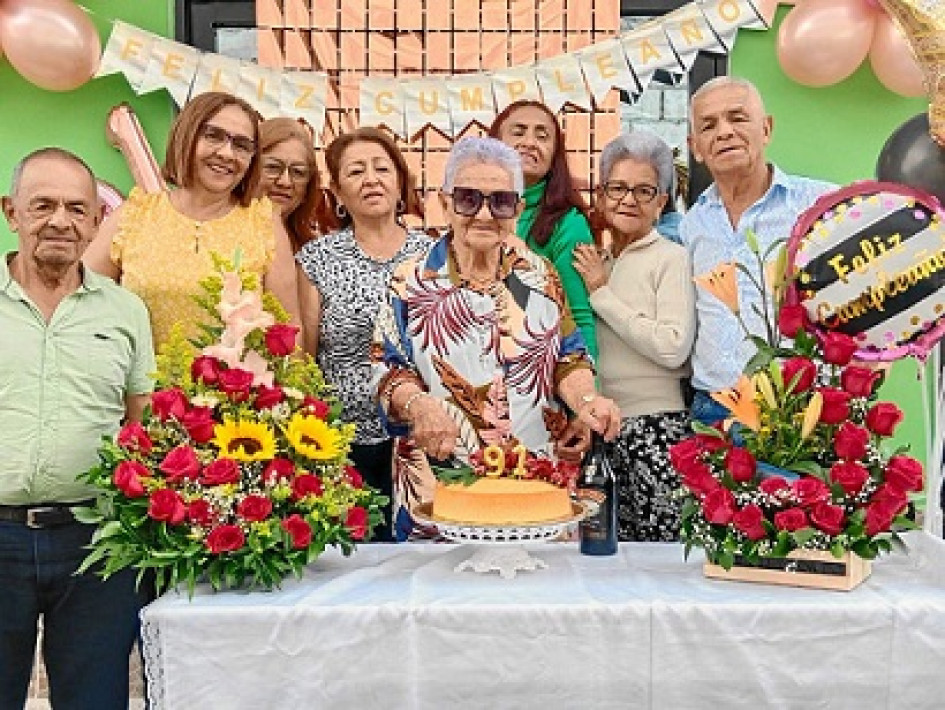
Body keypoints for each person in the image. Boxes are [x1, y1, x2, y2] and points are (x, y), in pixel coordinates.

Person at [372, 137, 620, 509]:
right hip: (440, 484)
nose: (485, 214)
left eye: (501, 201)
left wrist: (586, 400)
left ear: (517, 209)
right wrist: (418, 405)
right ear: (445, 203)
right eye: (468, 199)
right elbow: (388, 369)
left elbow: (569, 357)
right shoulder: (409, 281)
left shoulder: (542, 276)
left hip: (535, 478)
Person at [0, 148, 155, 709]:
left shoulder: (125, 311)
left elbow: (141, 424)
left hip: (95, 545)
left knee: (95, 701)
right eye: (42, 205)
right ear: (11, 212)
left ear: (95, 220)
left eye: (76, 208)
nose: (60, 221)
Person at [83, 91, 301, 349]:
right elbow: (79, 304)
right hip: (141, 387)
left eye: (242, 145)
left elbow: (289, 334)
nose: (227, 153)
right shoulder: (136, 215)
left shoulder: (263, 223)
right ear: (186, 136)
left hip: (236, 388)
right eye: (213, 136)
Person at [296, 127, 429, 542]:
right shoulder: (317, 258)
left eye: (381, 168)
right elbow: (305, 357)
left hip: (420, 442)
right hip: (342, 446)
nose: (371, 179)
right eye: (355, 172)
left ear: (399, 180)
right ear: (336, 190)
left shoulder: (434, 255)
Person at [680, 76, 835, 425]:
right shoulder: (692, 226)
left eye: (737, 118)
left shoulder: (819, 207)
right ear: (696, 147)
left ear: (766, 129)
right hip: (714, 410)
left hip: (798, 412)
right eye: (709, 125)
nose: (724, 132)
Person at [572, 131, 695, 541]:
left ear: (662, 201)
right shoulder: (597, 257)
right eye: (618, 188)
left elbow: (673, 346)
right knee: (603, 556)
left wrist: (602, 294)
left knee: (658, 560)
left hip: (656, 430)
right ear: (602, 194)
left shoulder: (670, 258)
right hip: (602, 431)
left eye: (644, 190)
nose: (629, 200)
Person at [489, 100, 599, 362]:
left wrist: (587, 393)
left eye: (542, 136)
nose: (529, 142)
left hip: (540, 373)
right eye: (518, 132)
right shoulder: (473, 212)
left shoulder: (568, 223)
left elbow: (579, 316)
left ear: (554, 156)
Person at [253, 116, 324, 253]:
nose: (285, 182)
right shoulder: (215, 234)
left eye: (298, 172)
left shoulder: (315, 254)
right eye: (273, 167)